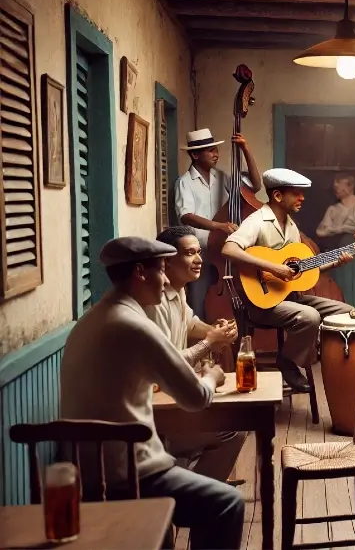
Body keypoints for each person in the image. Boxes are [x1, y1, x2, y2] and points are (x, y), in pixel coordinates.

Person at [60, 236, 244, 550]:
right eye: (160, 270)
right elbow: (196, 398)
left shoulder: (93, 319)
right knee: (228, 503)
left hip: (84, 470)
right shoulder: (135, 325)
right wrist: (213, 376)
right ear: (140, 274)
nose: (165, 279)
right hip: (126, 476)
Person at [222, 168, 355, 392]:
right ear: (277, 196)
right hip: (262, 302)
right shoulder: (258, 221)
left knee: (346, 311)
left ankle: (333, 366)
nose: (302, 198)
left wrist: (335, 261)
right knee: (310, 317)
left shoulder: (291, 225)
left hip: (290, 297)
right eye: (296, 193)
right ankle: (288, 361)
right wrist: (274, 267)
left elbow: (300, 269)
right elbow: (229, 248)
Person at [143, 225, 247, 485]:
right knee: (232, 430)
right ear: (166, 262)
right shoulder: (155, 301)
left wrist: (215, 330)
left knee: (230, 416)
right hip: (154, 414)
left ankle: (197, 487)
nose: (199, 260)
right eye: (190, 253)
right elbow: (163, 366)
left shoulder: (178, 288)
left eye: (199, 252)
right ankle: (194, 495)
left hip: (170, 397)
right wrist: (210, 343)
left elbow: (189, 324)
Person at [174, 129, 263, 320]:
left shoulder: (222, 178)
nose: (216, 154)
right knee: (199, 302)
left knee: (230, 304)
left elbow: (255, 186)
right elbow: (186, 216)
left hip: (224, 252)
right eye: (210, 151)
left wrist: (246, 149)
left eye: (216, 150)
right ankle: (202, 347)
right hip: (201, 253)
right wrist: (218, 226)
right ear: (195, 154)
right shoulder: (184, 182)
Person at [316, 174, 355, 250]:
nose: (337, 189)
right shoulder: (332, 209)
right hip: (334, 249)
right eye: (335, 187)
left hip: (353, 249)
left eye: (340, 185)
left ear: (350, 186)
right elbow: (321, 232)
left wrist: (339, 229)